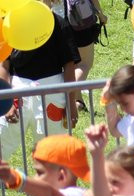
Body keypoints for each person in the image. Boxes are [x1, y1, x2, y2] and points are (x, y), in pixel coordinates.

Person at [0, 11, 80, 143]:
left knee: (53, 148)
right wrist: (6, 101)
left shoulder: (57, 22)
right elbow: (4, 65)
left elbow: (69, 65)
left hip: (52, 93)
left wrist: (71, 103)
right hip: (16, 91)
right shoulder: (9, 24)